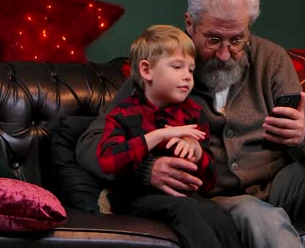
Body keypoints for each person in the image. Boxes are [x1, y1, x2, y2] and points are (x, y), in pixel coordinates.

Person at [77, 0, 305, 248]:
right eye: (213, 39)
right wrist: (148, 170)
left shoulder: (271, 59)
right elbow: (90, 144)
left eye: (237, 40)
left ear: (249, 30)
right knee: (258, 215)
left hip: (281, 183)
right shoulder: (164, 68)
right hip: (219, 197)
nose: (225, 54)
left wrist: (303, 133)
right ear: (189, 24)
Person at [96, 24, 242, 248]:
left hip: (185, 196)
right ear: (147, 71)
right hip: (134, 198)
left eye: (191, 70)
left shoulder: (193, 113)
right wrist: (157, 136)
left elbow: (209, 182)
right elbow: (108, 160)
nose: (187, 77)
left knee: (218, 215)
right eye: (177, 67)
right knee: (184, 208)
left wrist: (197, 152)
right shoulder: (123, 113)